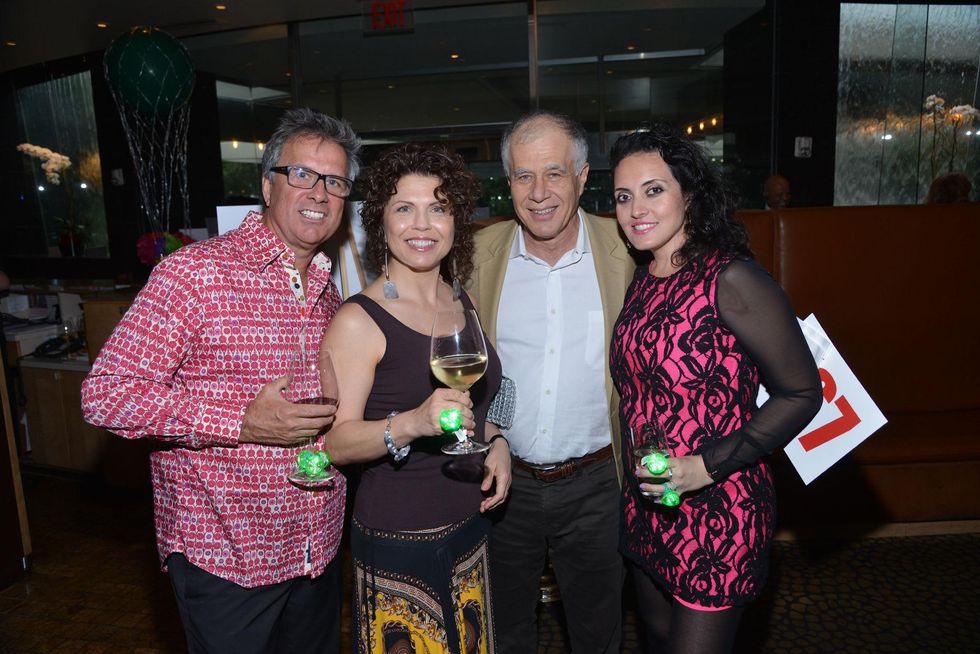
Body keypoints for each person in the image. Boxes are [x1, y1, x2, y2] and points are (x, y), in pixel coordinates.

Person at [81, 108, 361, 654]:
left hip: (316, 551)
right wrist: (241, 420)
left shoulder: (332, 292)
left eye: (335, 181)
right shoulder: (195, 274)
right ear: (267, 184)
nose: (320, 193)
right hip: (227, 559)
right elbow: (107, 395)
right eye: (302, 174)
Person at [608, 124, 822, 653]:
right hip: (650, 502)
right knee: (656, 639)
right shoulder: (644, 276)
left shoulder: (731, 279)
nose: (637, 208)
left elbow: (802, 393)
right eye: (623, 196)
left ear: (690, 194)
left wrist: (703, 466)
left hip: (721, 506)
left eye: (654, 190)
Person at [321, 143, 511, 654]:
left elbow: (478, 407)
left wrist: (497, 443)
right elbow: (335, 444)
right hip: (399, 537)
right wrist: (411, 423)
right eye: (404, 208)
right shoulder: (358, 320)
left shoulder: (461, 300)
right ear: (380, 223)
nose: (422, 224)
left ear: (456, 222)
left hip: (470, 526)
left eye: (438, 207)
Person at [468, 110, 634, 652]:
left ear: (584, 178)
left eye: (555, 173)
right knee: (502, 630)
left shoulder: (629, 252)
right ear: (508, 182)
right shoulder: (474, 258)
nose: (539, 192)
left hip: (597, 484)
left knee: (597, 632)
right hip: (501, 483)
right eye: (523, 176)